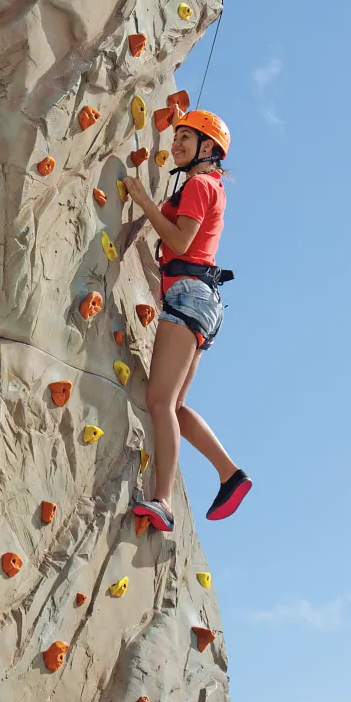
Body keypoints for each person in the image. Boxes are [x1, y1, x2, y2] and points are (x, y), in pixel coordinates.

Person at [122, 109, 251, 536]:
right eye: (174, 136)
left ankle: (162, 501)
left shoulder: (199, 184)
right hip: (204, 301)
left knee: (159, 401)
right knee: (172, 406)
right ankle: (229, 474)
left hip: (189, 296)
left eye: (184, 137)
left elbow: (179, 241)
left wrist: (143, 202)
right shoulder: (209, 185)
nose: (175, 144)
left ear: (208, 147)